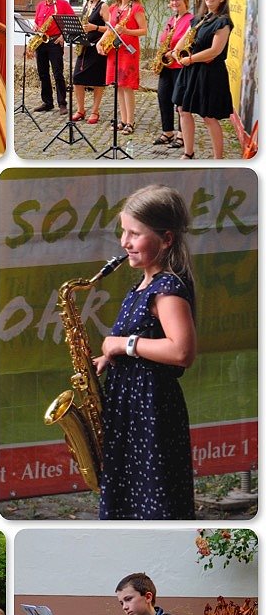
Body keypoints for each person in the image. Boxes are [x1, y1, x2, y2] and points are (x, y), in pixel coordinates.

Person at [94, 185, 197, 520]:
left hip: (151, 409)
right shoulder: (140, 285)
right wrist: (110, 357)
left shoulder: (166, 289)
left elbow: (182, 351)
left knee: (155, 499)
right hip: (131, 407)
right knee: (128, 498)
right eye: (123, 231)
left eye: (135, 233)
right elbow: (143, 343)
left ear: (166, 239)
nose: (125, 242)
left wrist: (122, 345)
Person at [172, 0, 234, 159]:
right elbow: (185, 38)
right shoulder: (200, 18)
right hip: (192, 70)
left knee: (208, 117)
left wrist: (190, 59)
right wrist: (176, 50)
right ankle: (188, 153)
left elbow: (215, 51)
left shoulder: (223, 22)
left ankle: (218, 158)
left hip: (209, 72)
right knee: (183, 109)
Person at [97, 0, 147, 136]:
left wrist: (126, 31)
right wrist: (100, 42)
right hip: (114, 49)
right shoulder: (113, 8)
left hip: (128, 50)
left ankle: (130, 121)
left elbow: (144, 31)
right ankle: (123, 120)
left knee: (127, 87)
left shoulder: (137, 8)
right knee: (118, 85)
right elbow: (110, 29)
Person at [151, 0, 193, 149]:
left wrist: (171, 52)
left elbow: (188, 43)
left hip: (180, 66)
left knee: (180, 101)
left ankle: (182, 135)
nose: (174, 2)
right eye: (172, 0)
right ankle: (168, 131)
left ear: (185, 1)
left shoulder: (190, 20)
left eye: (178, 0)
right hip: (166, 65)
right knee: (163, 97)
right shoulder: (172, 19)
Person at [28, 0, 73, 115]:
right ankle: (47, 102)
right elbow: (37, 23)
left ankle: (62, 104)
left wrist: (63, 36)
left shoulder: (63, 5)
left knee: (58, 73)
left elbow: (72, 23)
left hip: (54, 42)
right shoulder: (40, 5)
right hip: (41, 42)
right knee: (43, 74)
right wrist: (35, 26)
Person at [70, 0, 108, 124]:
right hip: (85, 47)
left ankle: (95, 111)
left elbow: (110, 27)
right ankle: (80, 110)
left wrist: (95, 27)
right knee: (77, 78)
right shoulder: (86, 4)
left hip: (98, 47)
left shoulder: (103, 6)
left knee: (97, 81)